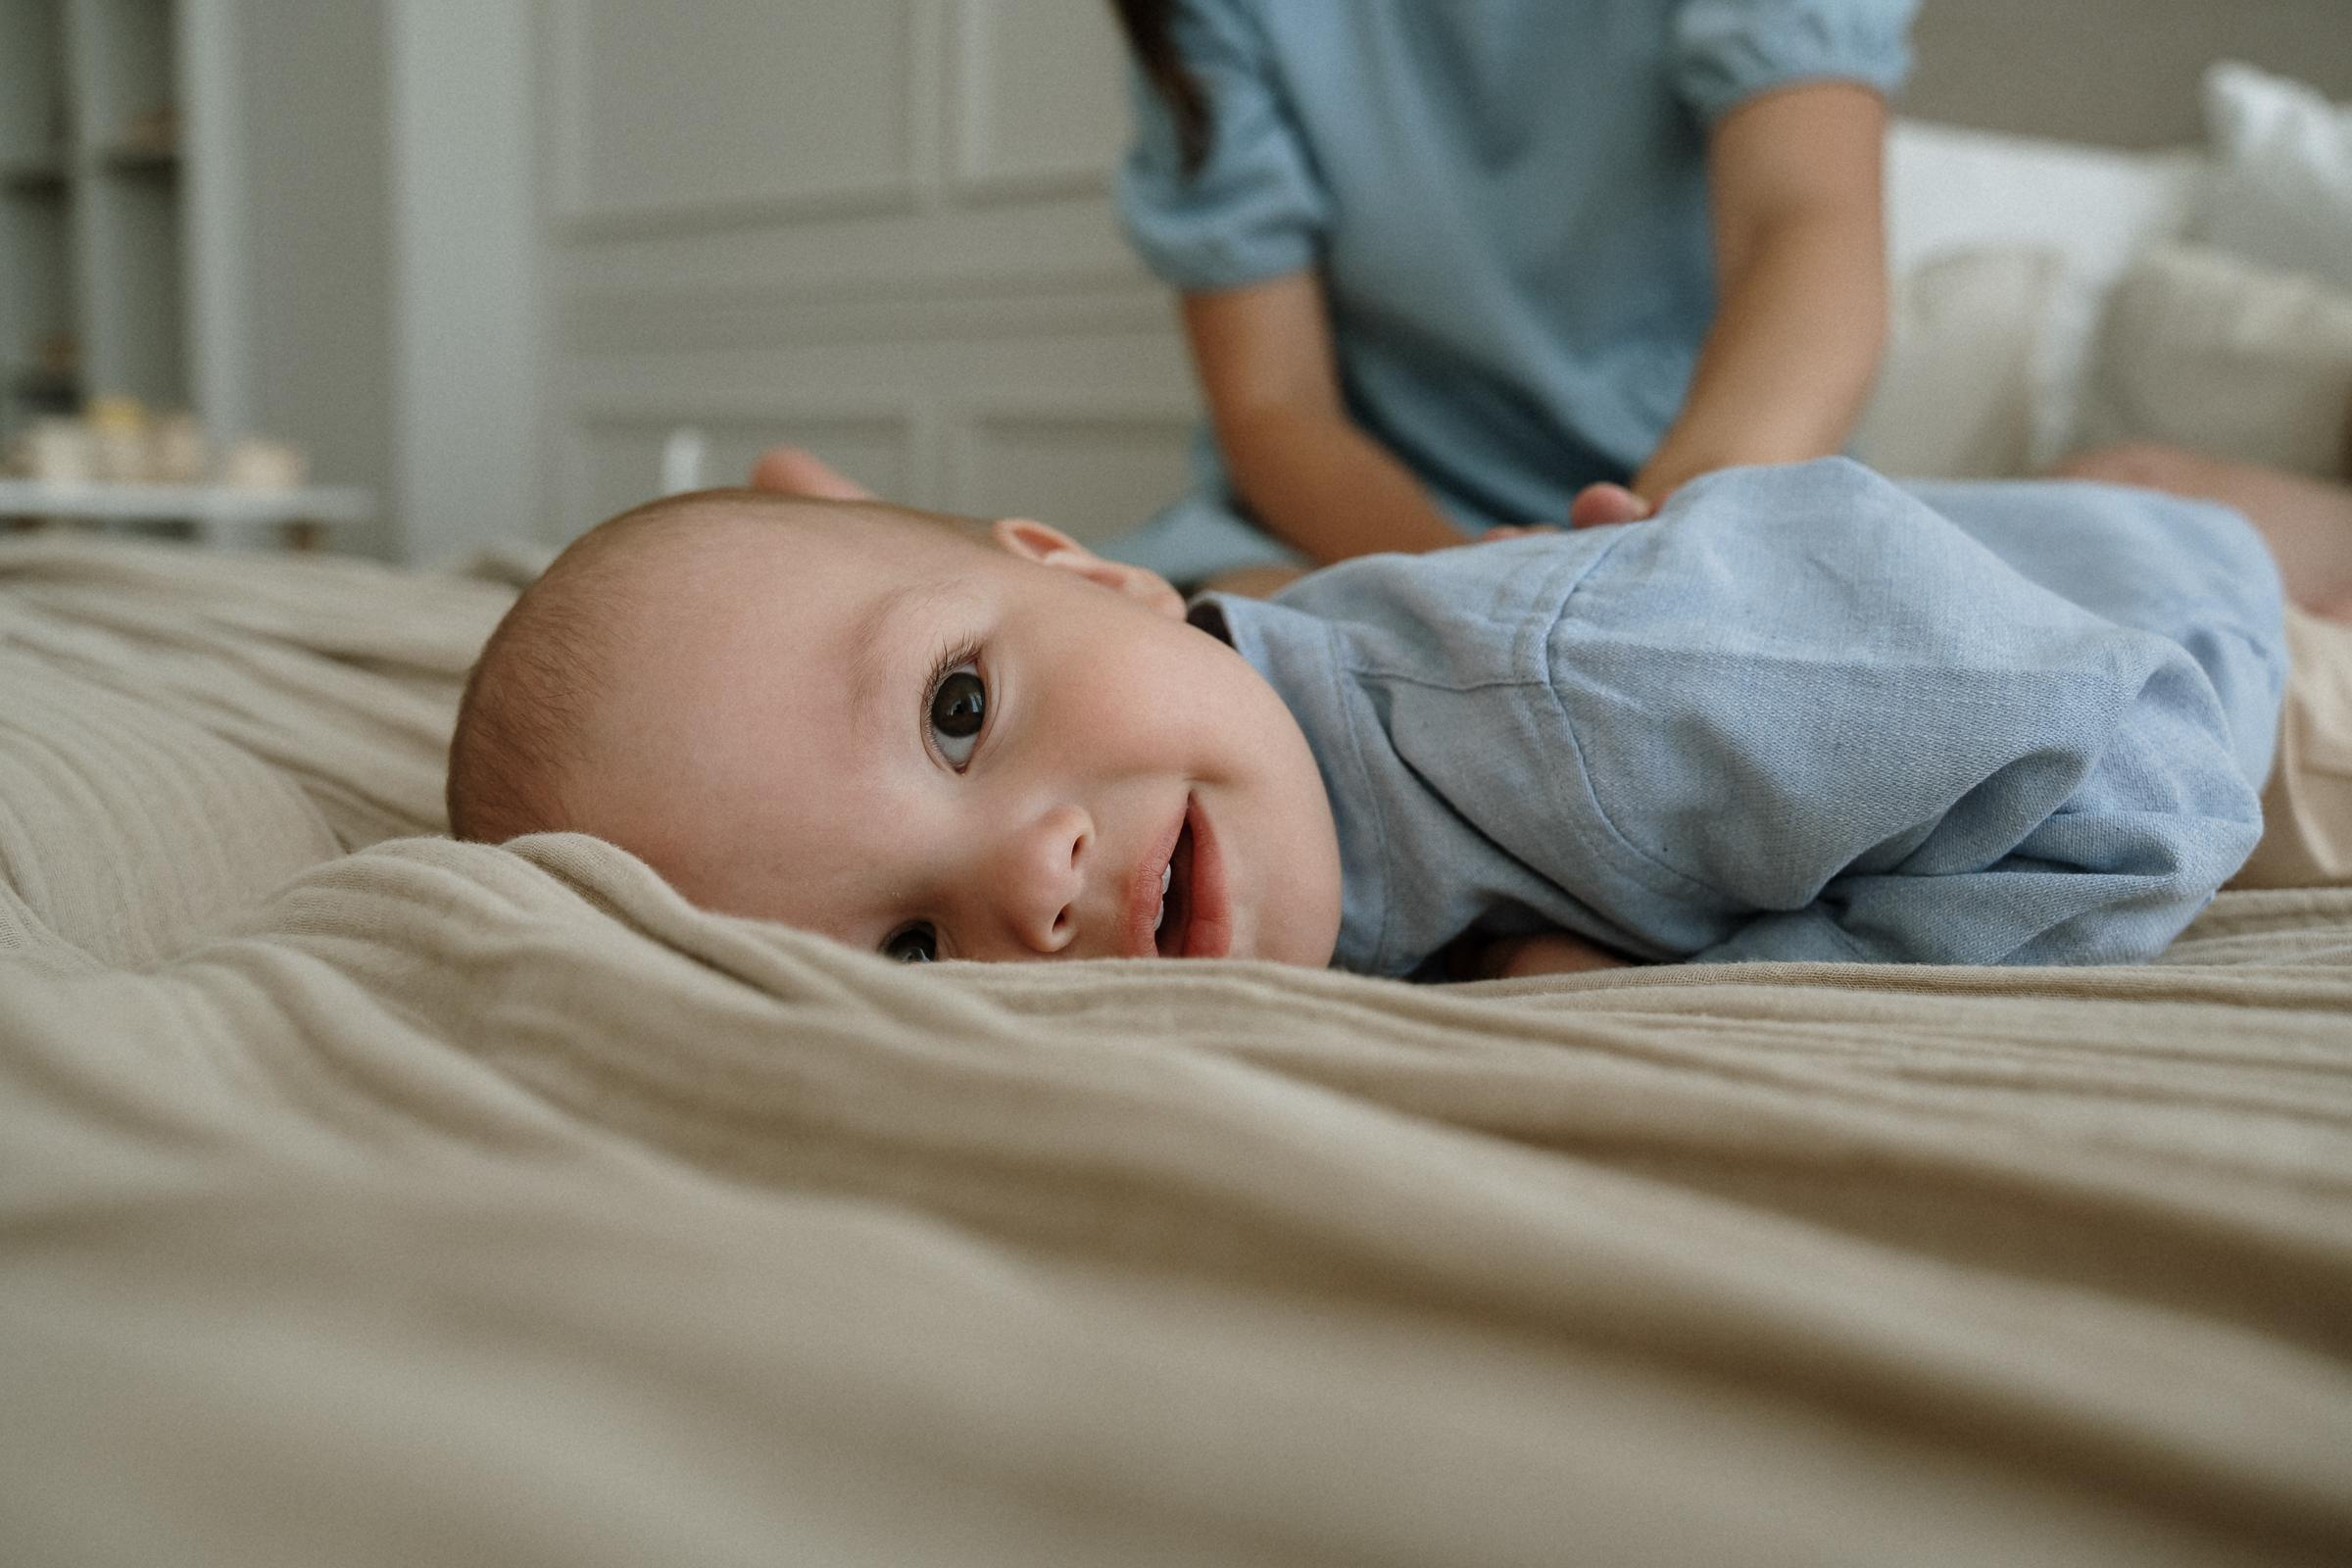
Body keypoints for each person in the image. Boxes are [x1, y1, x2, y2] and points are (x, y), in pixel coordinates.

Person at [446, 458, 2350, 979]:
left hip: (2229, 679)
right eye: (915, 949)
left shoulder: (1598, 696)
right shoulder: (1246, 808)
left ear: (1102, 569)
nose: (1028, 874)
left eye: (959, 710)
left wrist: (1677, 985)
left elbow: (2139, 762)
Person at [1098, 0, 1918, 591]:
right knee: (1230, 652)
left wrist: (1668, 541)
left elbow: (1806, 228)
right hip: (1363, 526)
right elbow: (1273, 405)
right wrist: (1474, 592)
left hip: (1720, 473)